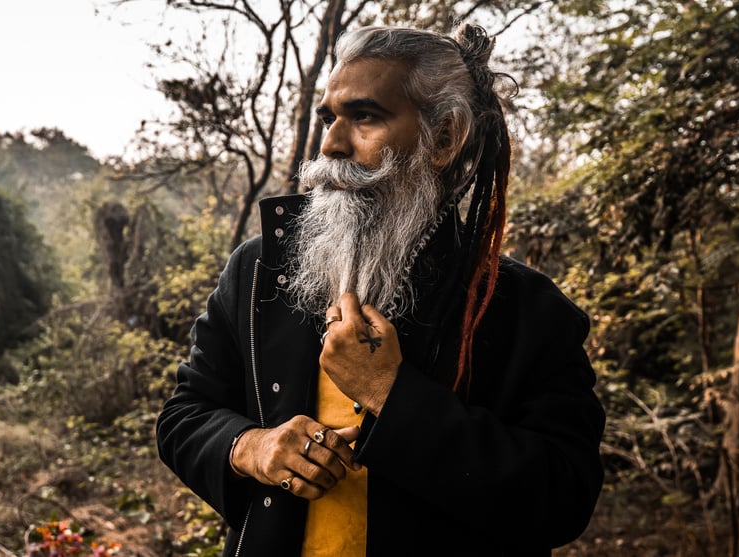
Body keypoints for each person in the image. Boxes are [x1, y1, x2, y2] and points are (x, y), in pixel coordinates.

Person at [156, 22, 605, 557]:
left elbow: (563, 498)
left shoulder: (527, 309)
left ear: (444, 138)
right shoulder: (260, 271)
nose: (331, 145)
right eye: (329, 118)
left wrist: (391, 395)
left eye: (364, 116)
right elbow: (185, 415)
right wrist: (252, 446)